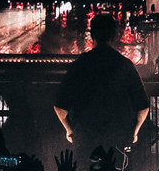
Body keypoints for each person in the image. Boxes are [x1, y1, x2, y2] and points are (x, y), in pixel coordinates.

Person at [53, 13, 150, 159]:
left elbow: (60, 106)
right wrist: (134, 132)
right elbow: (143, 106)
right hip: (117, 139)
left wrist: (70, 131)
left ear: (92, 35)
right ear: (114, 35)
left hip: (86, 139)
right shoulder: (124, 65)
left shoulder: (80, 65)